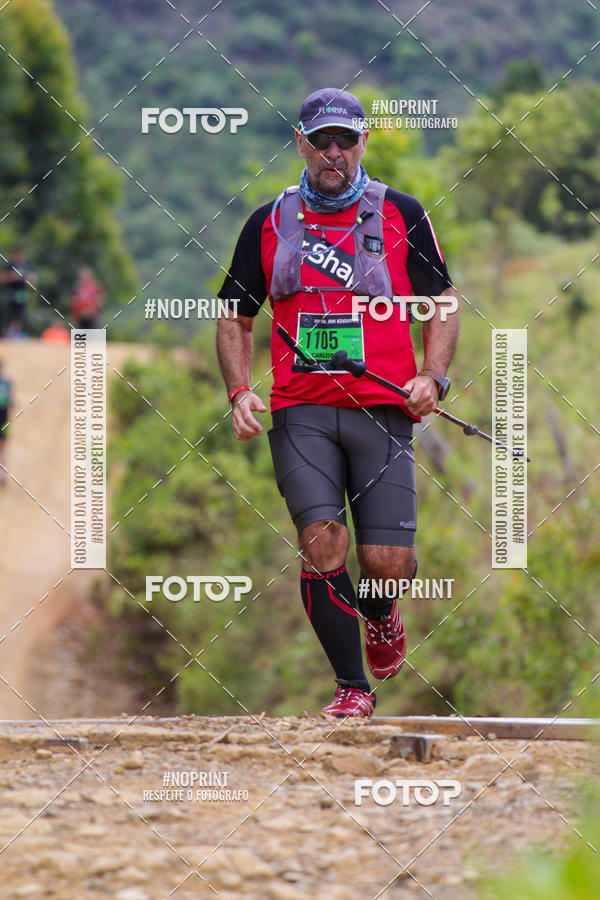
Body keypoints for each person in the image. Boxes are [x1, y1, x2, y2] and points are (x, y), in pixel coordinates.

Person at [216, 88, 459, 719]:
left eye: (344, 140)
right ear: (300, 143)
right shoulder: (269, 223)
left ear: (363, 144)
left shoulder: (402, 215)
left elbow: (443, 306)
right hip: (302, 412)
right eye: (320, 140)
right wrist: (241, 391)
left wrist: (433, 377)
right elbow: (235, 317)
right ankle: (353, 687)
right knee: (321, 541)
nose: (333, 153)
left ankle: (381, 613)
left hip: (383, 413)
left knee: (387, 563)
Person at [2, 246, 35, 337]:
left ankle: (17, 333)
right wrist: (13, 276)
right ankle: (8, 334)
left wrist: (31, 280)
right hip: (11, 293)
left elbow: (30, 280)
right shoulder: (9, 265)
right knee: (10, 314)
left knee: (20, 315)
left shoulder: (25, 265)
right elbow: (3, 278)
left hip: (21, 294)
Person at [0, 360, 13, 487]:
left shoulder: (7, 383)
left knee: (3, 447)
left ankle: (2, 475)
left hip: (4, 419)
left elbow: (11, 399)